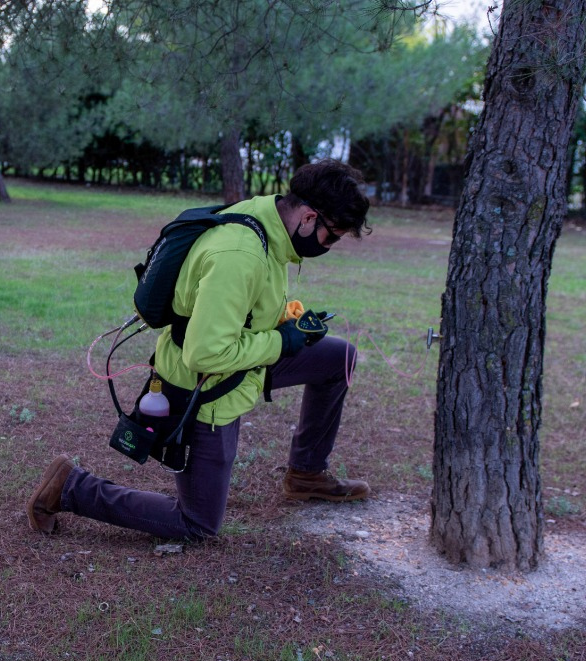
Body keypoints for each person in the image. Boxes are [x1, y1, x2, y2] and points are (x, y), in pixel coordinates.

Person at [27, 159, 373, 541]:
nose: (329, 246)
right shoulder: (241, 256)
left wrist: (285, 325)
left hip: (242, 360)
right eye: (332, 237)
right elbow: (205, 354)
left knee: (338, 357)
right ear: (308, 218)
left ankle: (306, 474)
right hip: (205, 386)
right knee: (198, 523)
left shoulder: (267, 216)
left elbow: (243, 312)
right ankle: (70, 487)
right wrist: (281, 341)